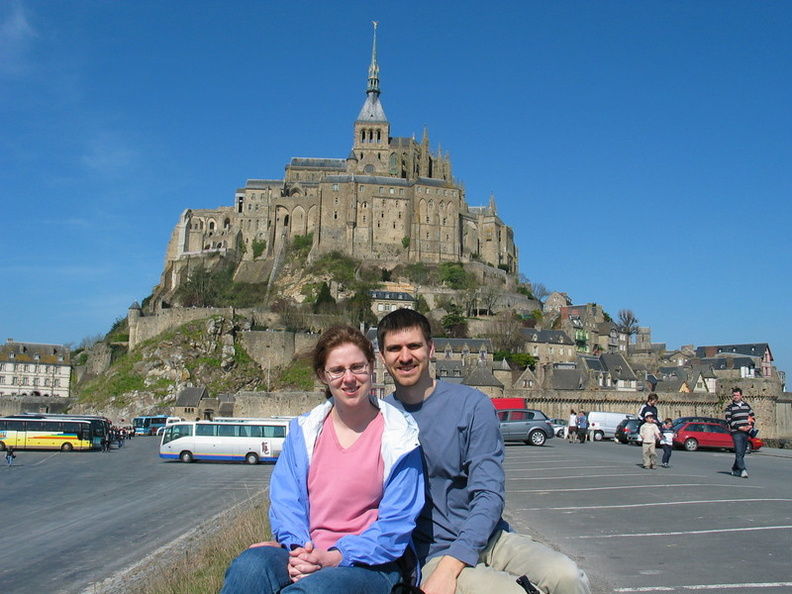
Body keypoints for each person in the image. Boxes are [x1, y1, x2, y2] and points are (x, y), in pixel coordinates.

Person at [378, 308, 590, 594]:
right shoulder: (380, 419)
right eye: (394, 349)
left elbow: (489, 494)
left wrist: (455, 561)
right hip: (432, 551)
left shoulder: (473, 405)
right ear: (382, 357)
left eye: (413, 346)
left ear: (431, 349)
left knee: (568, 576)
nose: (405, 357)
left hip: (490, 538)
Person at [220, 326, 425, 594]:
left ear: (372, 367)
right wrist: (299, 550)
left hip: (372, 563)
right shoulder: (304, 432)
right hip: (309, 548)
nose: (349, 378)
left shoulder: (401, 436)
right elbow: (286, 501)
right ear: (323, 376)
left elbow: (395, 526)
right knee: (248, 568)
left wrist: (334, 557)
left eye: (357, 367)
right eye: (337, 370)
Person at [725, 387, 755, 479]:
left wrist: (750, 426)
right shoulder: (729, 408)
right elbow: (729, 421)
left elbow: (752, 417)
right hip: (736, 432)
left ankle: (735, 469)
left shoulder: (746, 406)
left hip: (746, 432)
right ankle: (743, 470)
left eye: (737, 395)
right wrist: (740, 427)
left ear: (741, 396)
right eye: (734, 395)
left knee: (742, 453)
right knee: (738, 452)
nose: (735, 397)